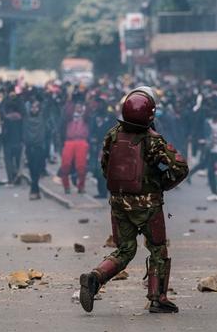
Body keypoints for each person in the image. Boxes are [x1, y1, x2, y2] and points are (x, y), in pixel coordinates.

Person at [78, 86, 188, 314]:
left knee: (125, 250)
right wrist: (163, 184)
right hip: (148, 205)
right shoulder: (152, 140)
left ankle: (95, 278)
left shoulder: (112, 134)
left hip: (118, 202)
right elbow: (180, 167)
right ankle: (158, 298)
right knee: (158, 249)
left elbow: (104, 167)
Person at [59, 101, 90, 195]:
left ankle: (81, 186)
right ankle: (66, 186)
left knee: (81, 166)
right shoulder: (68, 117)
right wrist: (70, 99)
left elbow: (88, 111)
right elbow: (66, 111)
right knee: (65, 165)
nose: (78, 108)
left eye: (80, 106)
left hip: (82, 141)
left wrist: (87, 98)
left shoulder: (85, 117)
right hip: (69, 141)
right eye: (77, 106)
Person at [22, 99, 47, 200]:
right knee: (32, 169)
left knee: (36, 169)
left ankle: (34, 189)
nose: (34, 109)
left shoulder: (42, 118)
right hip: (29, 147)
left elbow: (47, 106)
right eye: (32, 107)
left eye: (36, 107)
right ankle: (35, 190)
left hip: (39, 147)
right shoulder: (26, 119)